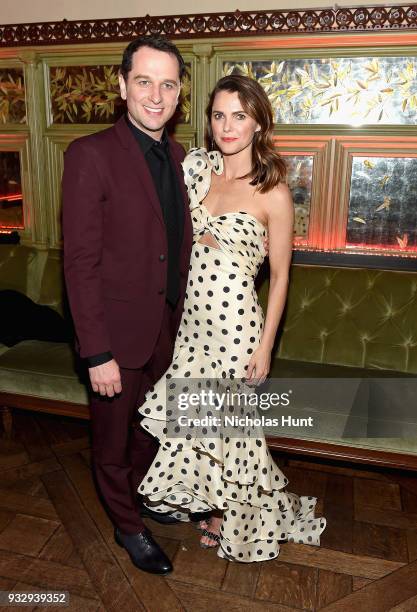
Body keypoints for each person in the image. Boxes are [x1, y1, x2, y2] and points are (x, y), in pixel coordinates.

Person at [137, 74, 326, 562]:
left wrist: (265, 346)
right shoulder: (196, 170)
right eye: (219, 115)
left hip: (236, 324)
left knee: (233, 431)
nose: (227, 126)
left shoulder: (273, 191)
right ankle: (211, 506)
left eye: (239, 115)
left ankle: (235, 518)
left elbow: (281, 278)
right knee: (199, 425)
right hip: (189, 324)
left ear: (259, 122)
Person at [62, 35, 194, 575]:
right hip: (115, 335)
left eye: (167, 84)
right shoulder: (89, 155)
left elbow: (174, 239)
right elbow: (79, 263)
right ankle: (128, 527)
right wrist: (96, 353)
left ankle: (140, 498)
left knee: (151, 428)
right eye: (144, 81)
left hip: (168, 328)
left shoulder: (183, 157)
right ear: (122, 87)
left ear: (180, 92)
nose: (156, 95)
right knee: (112, 440)